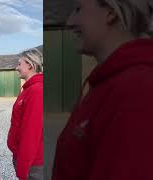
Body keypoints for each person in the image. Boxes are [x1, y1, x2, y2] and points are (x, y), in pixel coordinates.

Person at [52, 0, 153, 180]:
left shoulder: (137, 90)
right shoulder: (106, 81)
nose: (69, 22)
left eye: (78, 9)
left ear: (110, 13)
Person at [7, 48, 44, 180]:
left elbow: (31, 133)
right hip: (25, 159)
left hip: (33, 165)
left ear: (29, 64)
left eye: (19, 64)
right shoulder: (29, 89)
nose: (17, 68)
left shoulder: (37, 91)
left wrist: (23, 169)